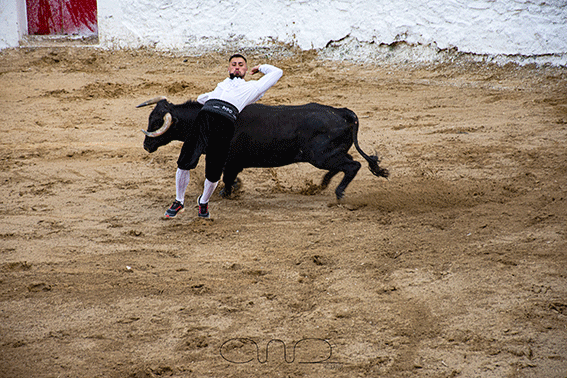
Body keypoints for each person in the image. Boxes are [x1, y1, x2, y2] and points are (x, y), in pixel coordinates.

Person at [165, 54, 283, 219]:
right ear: (228, 68)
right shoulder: (220, 86)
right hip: (204, 118)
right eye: (233, 64)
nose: (236, 67)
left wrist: (260, 68)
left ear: (246, 69)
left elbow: (277, 72)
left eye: (241, 65)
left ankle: (203, 202)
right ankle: (179, 201)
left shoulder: (252, 88)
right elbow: (201, 98)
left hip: (225, 124)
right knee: (185, 161)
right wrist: (212, 96)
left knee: (214, 171)